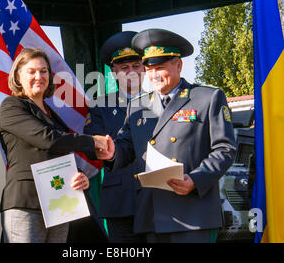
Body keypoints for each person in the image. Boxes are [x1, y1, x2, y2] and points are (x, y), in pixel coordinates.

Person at [96, 29, 237, 243]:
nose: (154, 75)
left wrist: (196, 179)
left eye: (160, 68)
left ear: (178, 65)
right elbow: (126, 146)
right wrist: (113, 151)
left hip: (191, 211)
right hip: (152, 214)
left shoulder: (207, 97)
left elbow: (225, 149)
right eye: (149, 69)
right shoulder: (138, 104)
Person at [0, 48, 108, 243]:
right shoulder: (11, 106)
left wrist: (80, 177)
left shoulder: (52, 114)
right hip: (26, 204)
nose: (39, 76)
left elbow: (63, 152)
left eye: (44, 71)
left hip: (59, 203)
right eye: (31, 71)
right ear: (18, 76)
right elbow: (49, 139)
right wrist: (92, 141)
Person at [84, 31, 146, 242]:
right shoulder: (100, 105)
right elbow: (91, 147)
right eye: (124, 67)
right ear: (113, 72)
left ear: (144, 68)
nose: (131, 72)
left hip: (158, 200)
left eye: (136, 66)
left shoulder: (161, 101)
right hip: (120, 201)